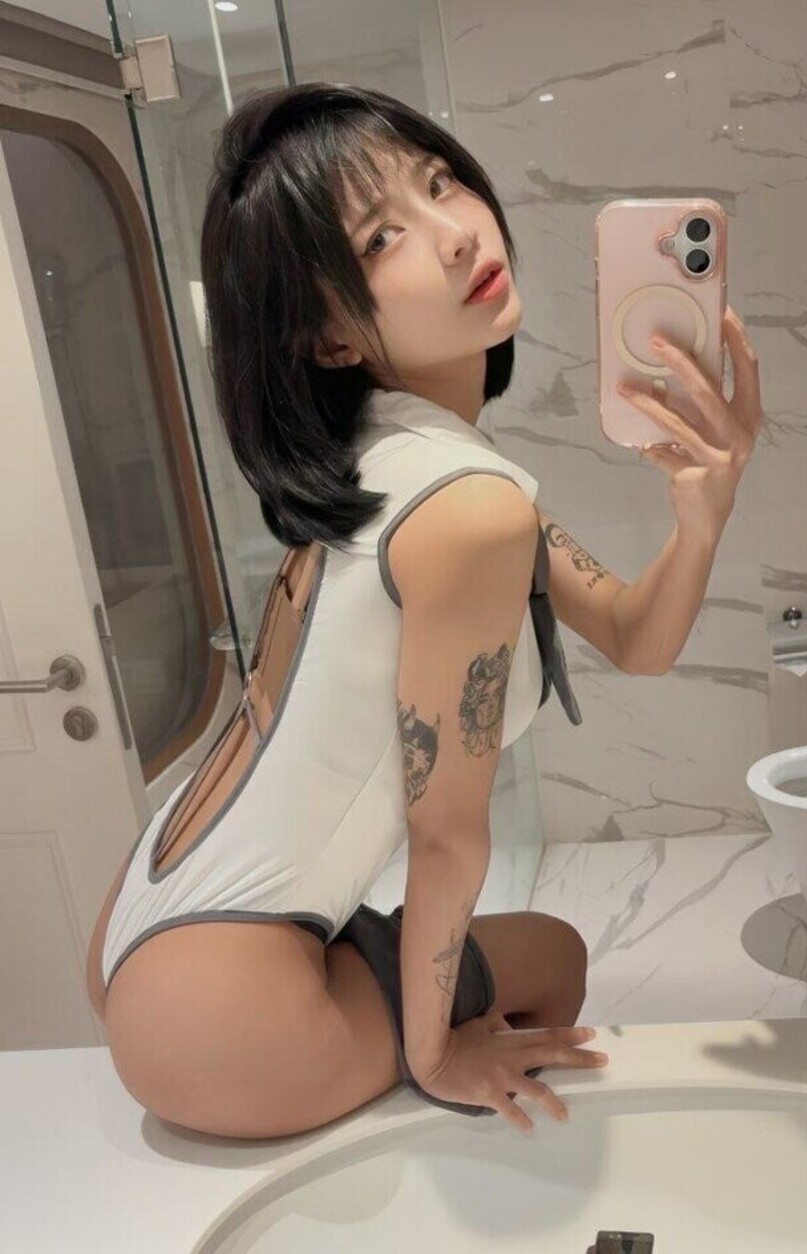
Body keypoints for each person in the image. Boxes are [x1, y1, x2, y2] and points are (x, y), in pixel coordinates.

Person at [84, 83, 762, 1142]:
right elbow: (444, 831)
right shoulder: (465, 507)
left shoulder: (394, 458)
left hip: (156, 913)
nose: (455, 234)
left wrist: (704, 511)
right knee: (550, 966)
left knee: (549, 953)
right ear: (327, 339)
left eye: (439, 183)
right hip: (226, 1013)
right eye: (379, 237)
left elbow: (636, 637)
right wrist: (438, 1054)